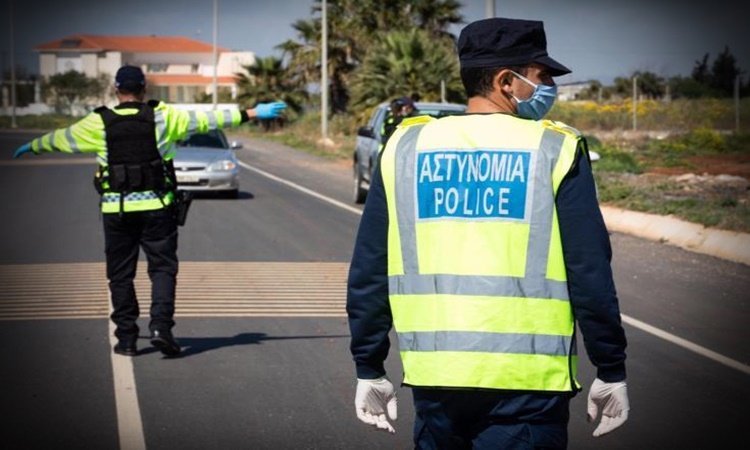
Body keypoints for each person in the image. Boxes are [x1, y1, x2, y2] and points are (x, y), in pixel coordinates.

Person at [347, 17, 629, 449]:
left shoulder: (406, 147)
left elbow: (370, 267)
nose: (550, 86)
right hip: (527, 385)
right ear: (506, 81)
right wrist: (610, 367)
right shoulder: (555, 148)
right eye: (542, 76)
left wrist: (369, 366)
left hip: (436, 381)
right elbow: (589, 271)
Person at [13, 65, 286, 357]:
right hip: (158, 208)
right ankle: (161, 329)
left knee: (120, 275)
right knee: (162, 270)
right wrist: (253, 113)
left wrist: (33, 146)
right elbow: (209, 119)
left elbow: (61, 139)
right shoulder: (164, 116)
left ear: (117, 90)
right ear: (144, 89)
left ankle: (127, 339)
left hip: (117, 211)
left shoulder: (98, 121)